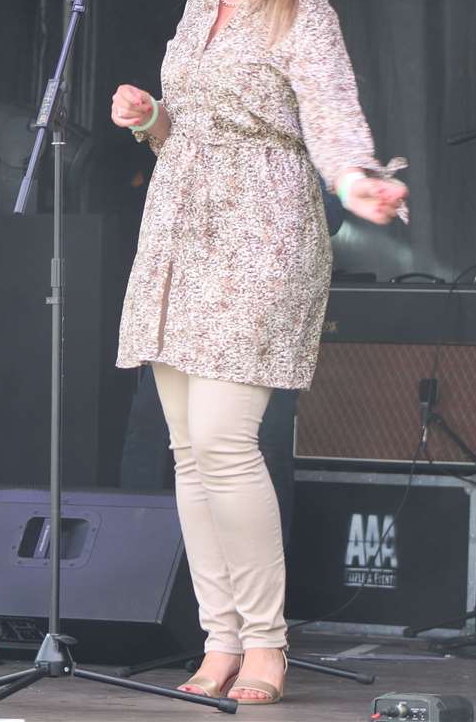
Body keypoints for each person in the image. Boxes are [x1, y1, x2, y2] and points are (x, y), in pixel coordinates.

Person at [111, 0, 408, 706]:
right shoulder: (200, 2)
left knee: (226, 441)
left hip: (263, 233)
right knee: (185, 453)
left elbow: (332, 119)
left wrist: (358, 182)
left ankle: (268, 645)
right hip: (178, 234)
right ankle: (220, 639)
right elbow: (190, 132)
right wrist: (151, 119)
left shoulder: (304, 13)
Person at [119, 182, 347, 545]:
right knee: (151, 429)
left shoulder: (292, 140)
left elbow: (331, 216)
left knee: (265, 444)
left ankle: (264, 579)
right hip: (190, 309)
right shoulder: (195, 135)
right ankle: (138, 559)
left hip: (259, 318)